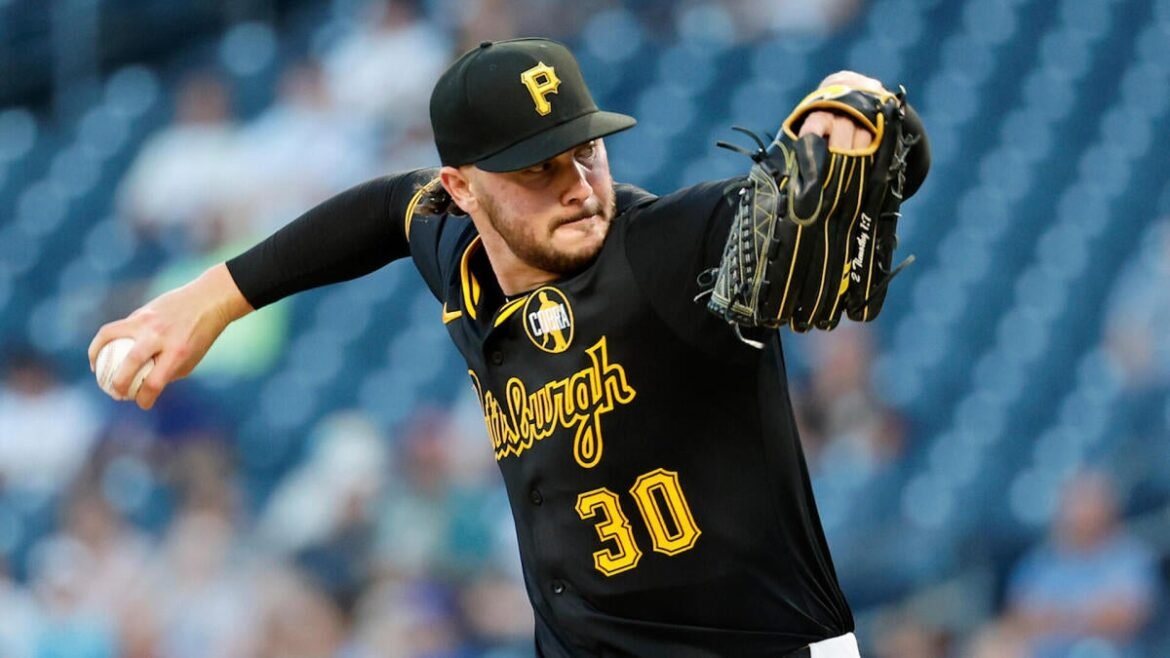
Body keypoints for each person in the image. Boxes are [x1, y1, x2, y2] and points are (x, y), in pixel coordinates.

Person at [90, 38, 930, 657]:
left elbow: (869, 159)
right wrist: (210, 300)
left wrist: (861, 110)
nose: (578, 186)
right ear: (460, 188)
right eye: (537, 169)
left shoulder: (669, 251)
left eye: (586, 151)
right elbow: (385, 210)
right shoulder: (459, 257)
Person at [1003, 471, 1159, 658]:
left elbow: (1123, 617)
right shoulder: (1041, 561)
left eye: (1088, 501)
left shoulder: (1130, 557)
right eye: (1075, 502)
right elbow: (1021, 617)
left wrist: (1057, 616)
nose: (1080, 512)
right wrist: (1087, 613)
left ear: (1108, 508)